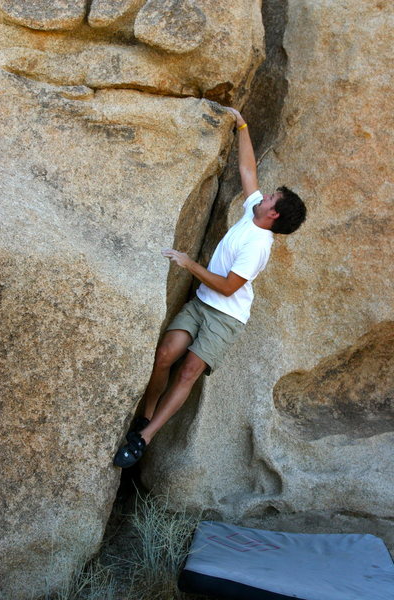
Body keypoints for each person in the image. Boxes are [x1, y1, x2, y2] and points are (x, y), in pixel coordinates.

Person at [114, 107, 307, 468]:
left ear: (274, 215)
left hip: (226, 316)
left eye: (270, 200)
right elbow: (248, 170)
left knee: (188, 371)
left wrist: (189, 264)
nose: (264, 197)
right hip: (203, 302)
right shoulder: (254, 212)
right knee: (165, 355)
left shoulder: (258, 245)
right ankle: (147, 414)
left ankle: (143, 437)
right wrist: (242, 124)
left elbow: (230, 287)